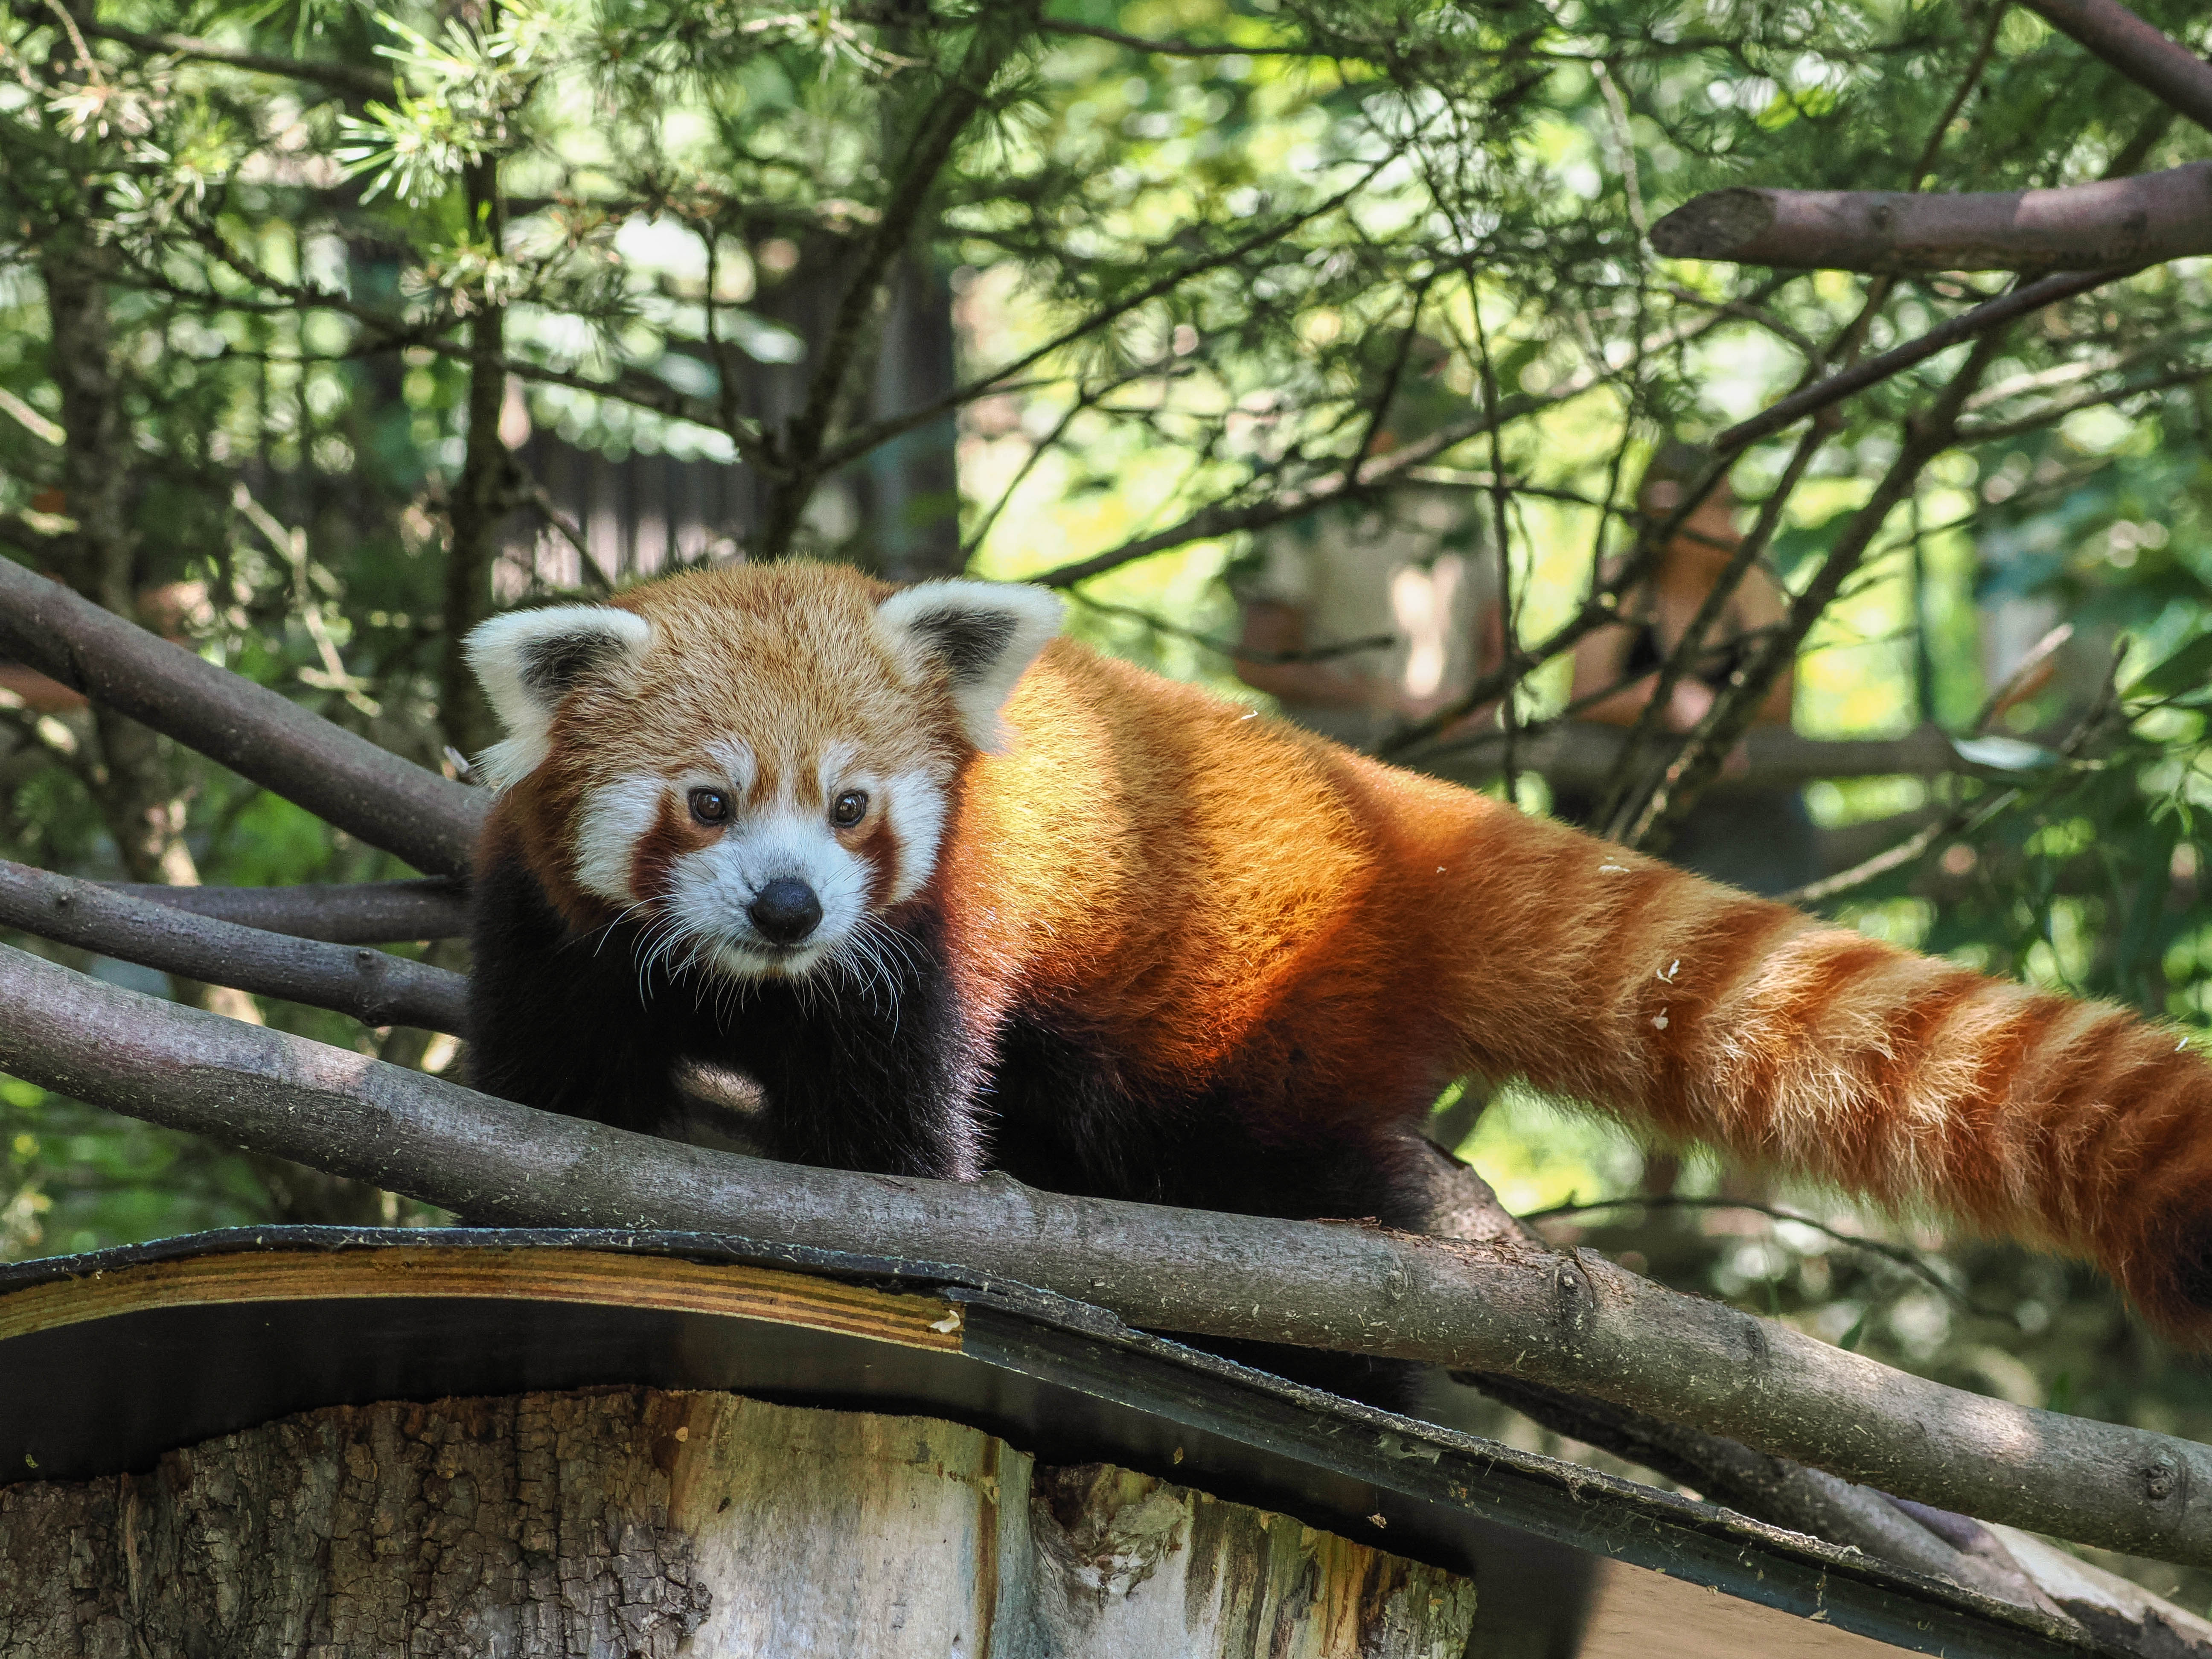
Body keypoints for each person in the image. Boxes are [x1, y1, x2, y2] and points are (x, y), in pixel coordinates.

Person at [1556, 441, 1817, 897]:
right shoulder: (1628, 580)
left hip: (1735, 808)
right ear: (1664, 509)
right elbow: (1585, 697)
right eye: (1715, 507)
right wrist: (1665, 698)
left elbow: (1778, 704)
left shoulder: (1750, 580)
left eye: (1732, 506)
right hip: (1621, 803)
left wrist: (1718, 718)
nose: (1729, 522)